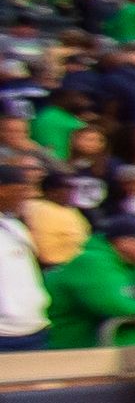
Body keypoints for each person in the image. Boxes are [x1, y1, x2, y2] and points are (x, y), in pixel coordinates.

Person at [45, 209, 135, 348]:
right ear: (124, 242)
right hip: (77, 352)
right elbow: (112, 304)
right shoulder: (90, 261)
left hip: (128, 351)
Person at [0, 149, 52, 350]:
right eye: (21, 189)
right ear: (3, 189)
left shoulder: (17, 226)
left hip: (34, 329)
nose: (25, 195)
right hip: (4, 334)